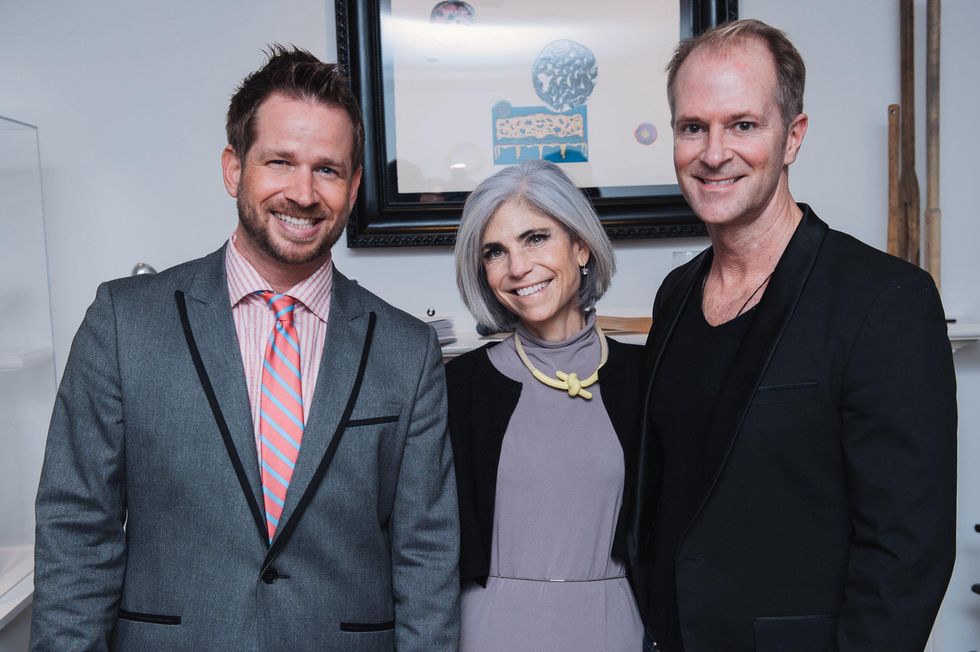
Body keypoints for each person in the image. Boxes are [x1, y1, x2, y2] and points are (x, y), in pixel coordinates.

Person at [31, 46, 459, 651]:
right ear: (234, 169)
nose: (304, 193)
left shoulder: (406, 350)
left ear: (355, 184)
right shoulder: (125, 323)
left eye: (328, 170)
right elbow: (78, 527)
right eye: (280, 162)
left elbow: (426, 555)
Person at [629, 19, 957, 652]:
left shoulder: (884, 301)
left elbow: (906, 556)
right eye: (693, 127)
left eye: (743, 125)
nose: (714, 152)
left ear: (793, 137)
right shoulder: (674, 296)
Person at [447, 159, 644, 651]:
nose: (518, 267)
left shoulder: (648, 378)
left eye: (536, 238)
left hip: (613, 630)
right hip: (490, 632)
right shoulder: (455, 388)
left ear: (580, 245)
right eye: (495, 251)